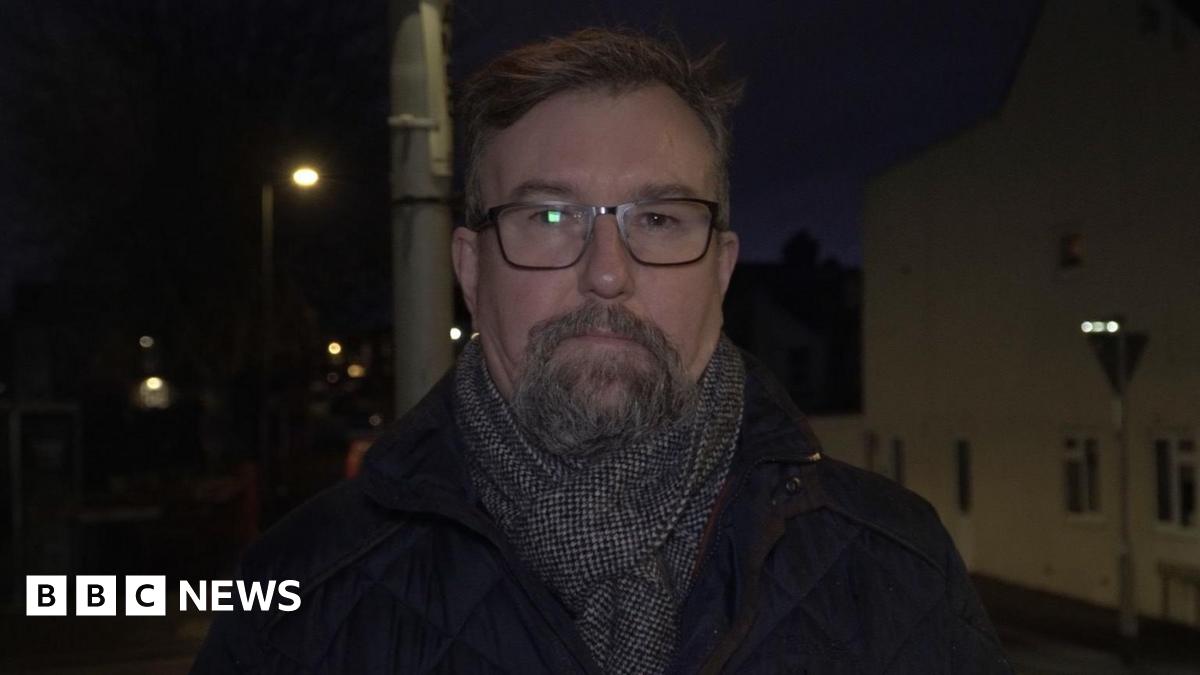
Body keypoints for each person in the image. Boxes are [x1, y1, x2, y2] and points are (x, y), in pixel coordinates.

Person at [194, 28, 1011, 674]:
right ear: (471, 270)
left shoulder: (896, 563)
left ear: (721, 270)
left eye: (659, 220)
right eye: (550, 219)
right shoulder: (302, 597)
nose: (608, 273)